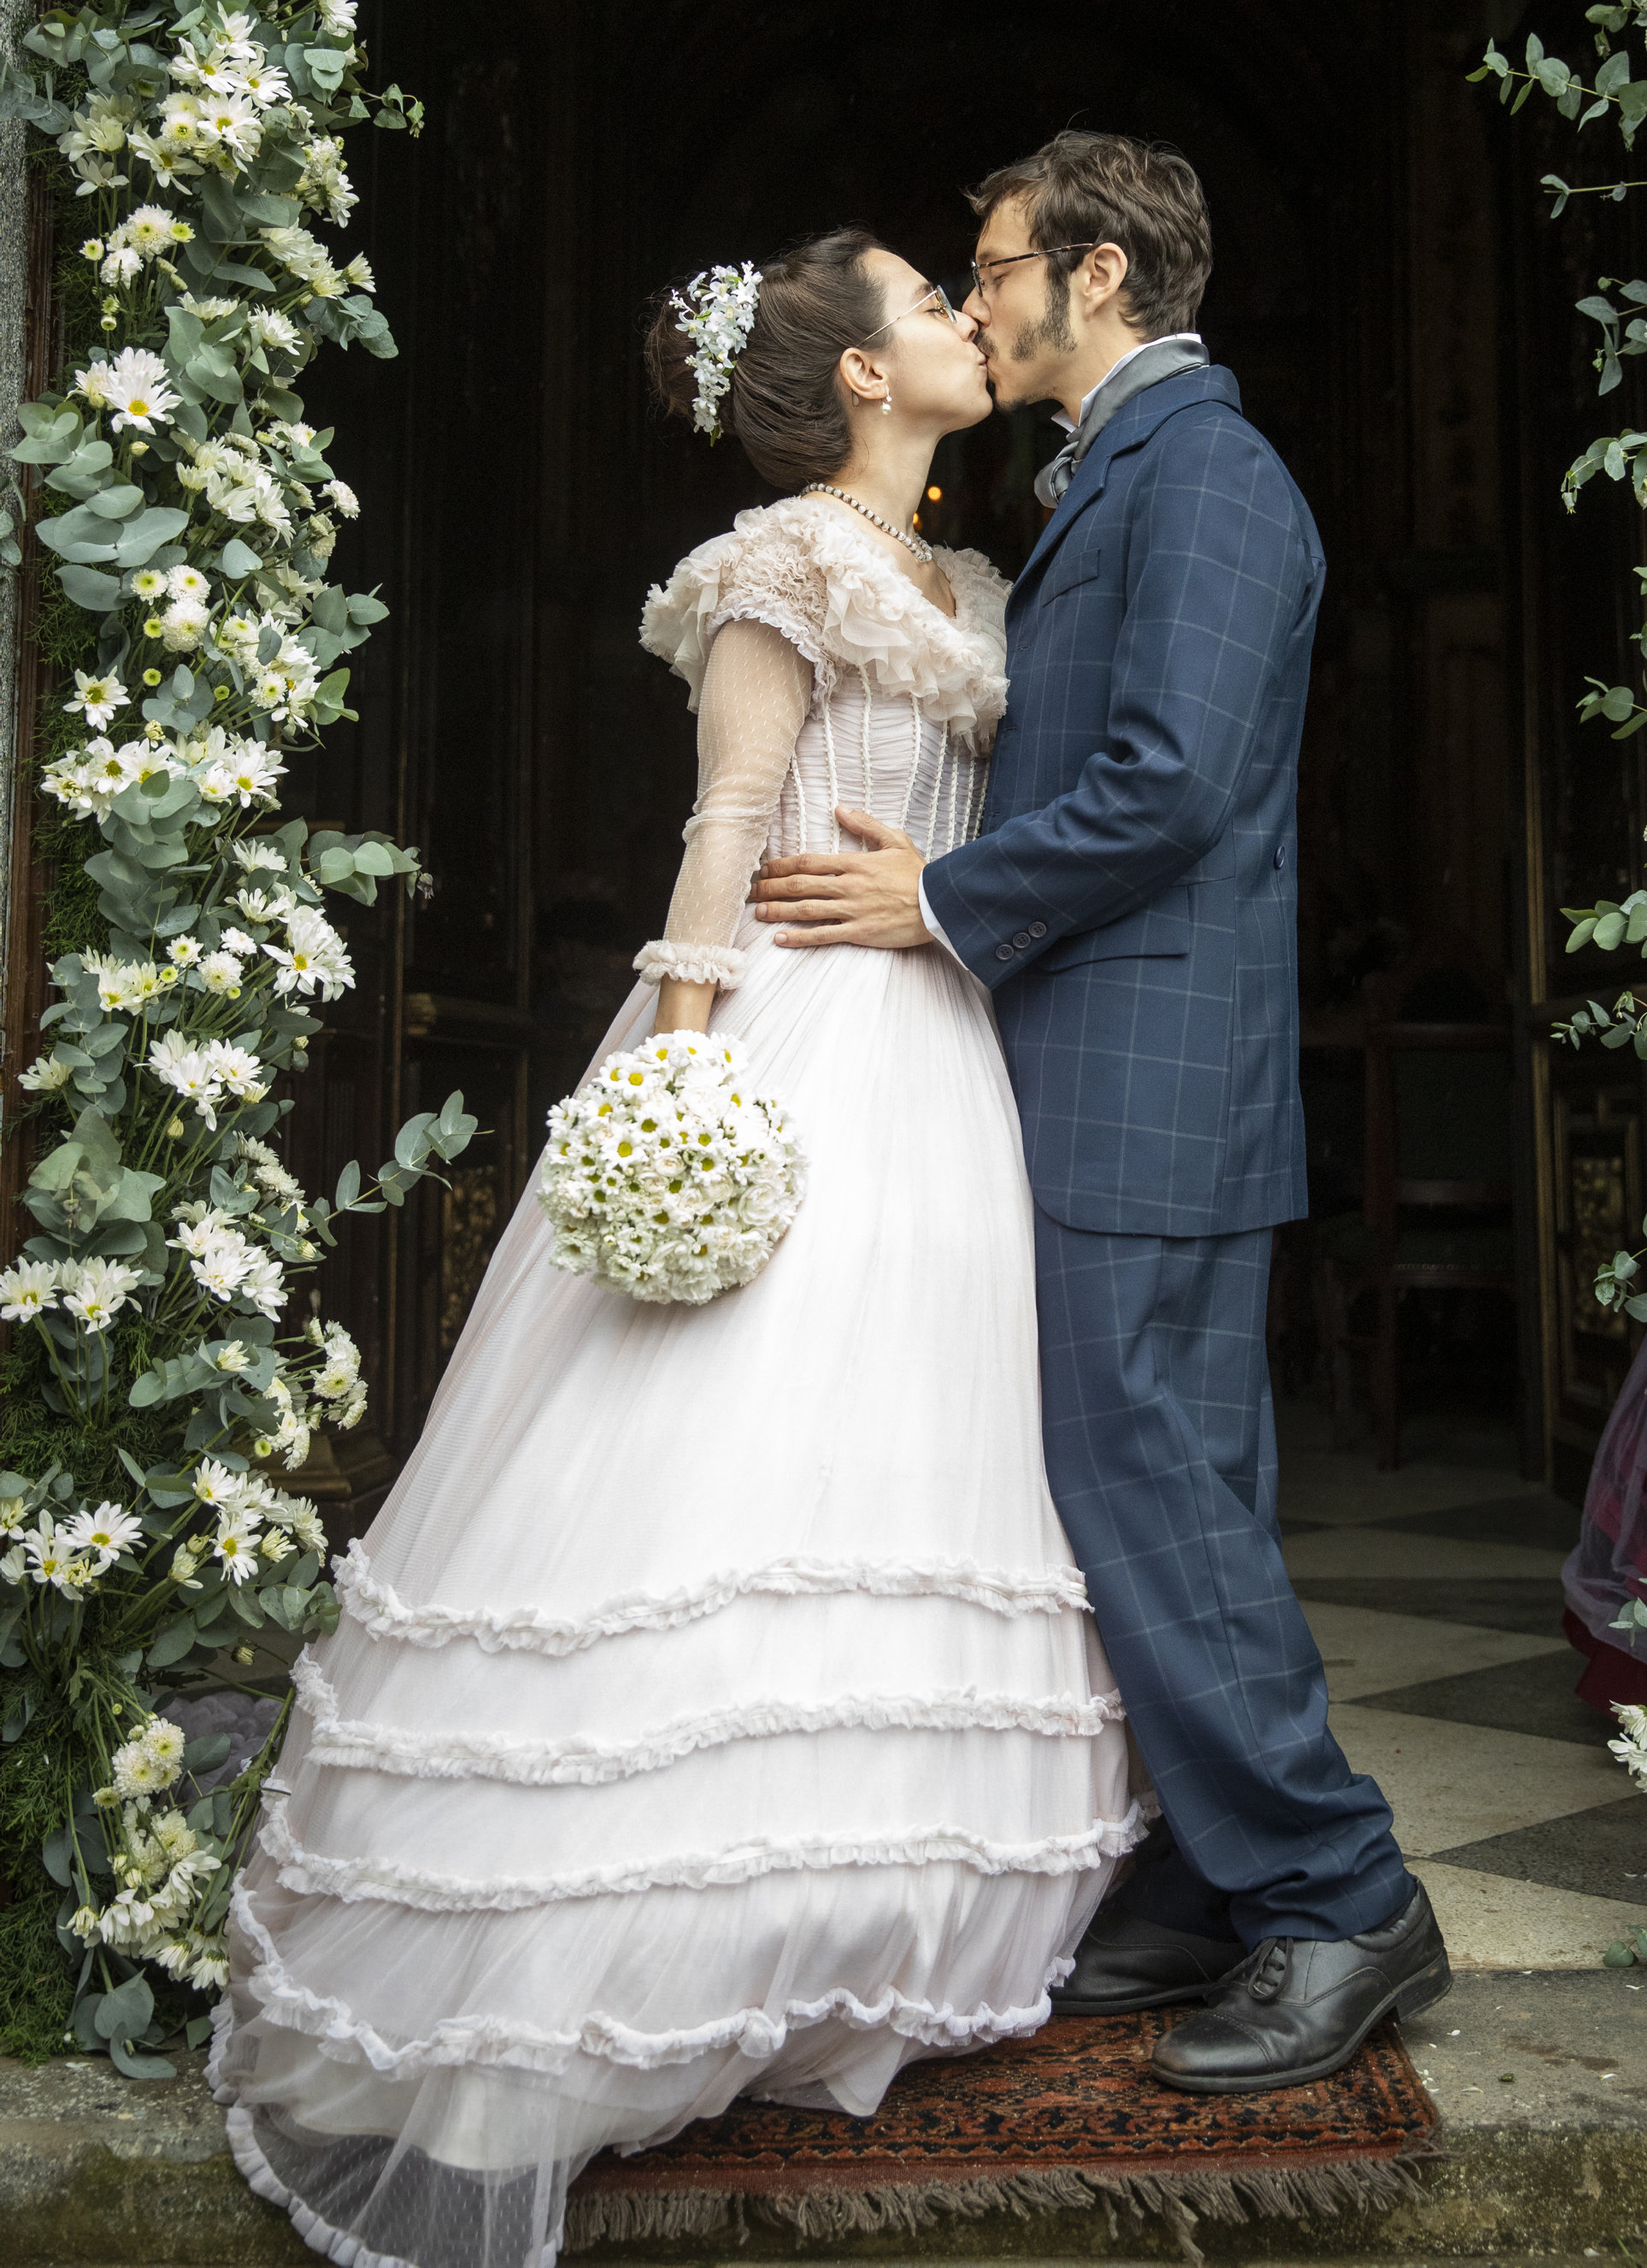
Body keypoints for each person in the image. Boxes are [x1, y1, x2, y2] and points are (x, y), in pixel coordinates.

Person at [214, 229, 1138, 2268]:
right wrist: (681, 1080)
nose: (962, 318)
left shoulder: (969, 584)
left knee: (907, 1449)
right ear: (859, 380)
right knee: (719, 1445)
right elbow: (728, 822)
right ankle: (621, 1942)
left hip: (944, 1056)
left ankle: (862, 1919)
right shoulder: (772, 565)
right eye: (924, 301)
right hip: (792, 1040)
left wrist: (956, 891)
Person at [753, 132, 1450, 2095]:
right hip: (1092, 1067)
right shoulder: (1115, 474)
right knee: (1152, 1486)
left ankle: (1336, 1894)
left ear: (1102, 279)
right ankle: (1214, 1874)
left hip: (1149, 1075)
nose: (976, 300)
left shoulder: (1209, 472)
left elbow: (1168, 784)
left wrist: (938, 900)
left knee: (1149, 1484)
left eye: (995, 268)